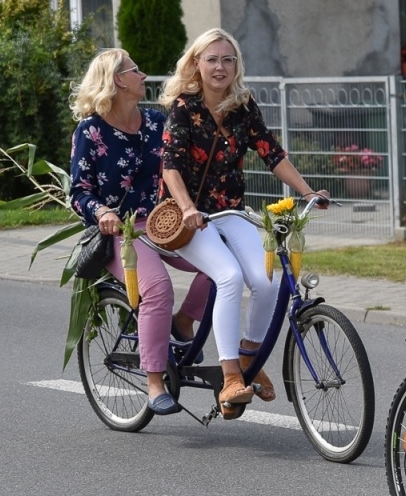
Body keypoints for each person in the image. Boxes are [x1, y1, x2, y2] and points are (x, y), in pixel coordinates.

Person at [159, 28, 330, 418]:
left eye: (228, 59)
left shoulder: (243, 105)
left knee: (267, 279)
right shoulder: (184, 108)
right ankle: (231, 376)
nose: (220, 67)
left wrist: (306, 192)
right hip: (188, 218)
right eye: (212, 59)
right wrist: (187, 207)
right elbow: (170, 167)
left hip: (229, 211)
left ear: (237, 65)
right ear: (196, 64)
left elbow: (272, 153)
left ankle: (249, 359)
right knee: (229, 277)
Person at [68, 48, 208, 415]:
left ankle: (184, 321)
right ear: (118, 79)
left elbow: (176, 168)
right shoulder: (91, 130)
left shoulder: (153, 121)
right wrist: (102, 212)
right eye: (136, 70)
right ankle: (155, 383)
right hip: (122, 232)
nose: (144, 76)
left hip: (165, 223)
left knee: (221, 265)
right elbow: (79, 191)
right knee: (157, 287)